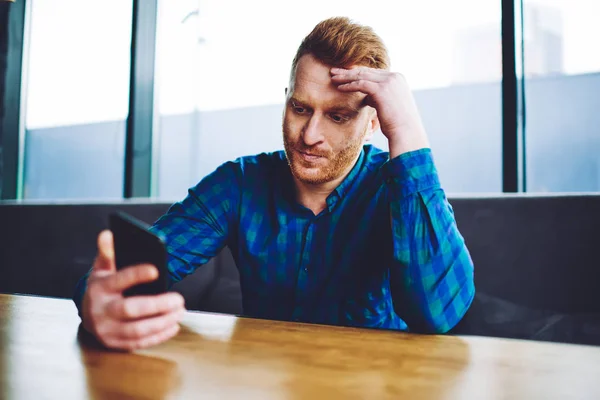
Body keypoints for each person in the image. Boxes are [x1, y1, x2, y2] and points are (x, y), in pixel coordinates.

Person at [74, 16, 475, 350]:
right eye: (300, 108)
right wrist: (98, 299)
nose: (310, 135)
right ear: (286, 99)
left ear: (372, 122)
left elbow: (438, 314)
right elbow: (121, 277)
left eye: (337, 117)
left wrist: (406, 128)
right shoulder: (239, 184)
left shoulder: (396, 190)